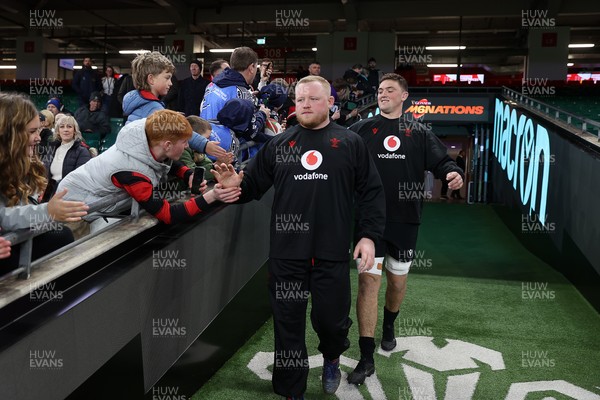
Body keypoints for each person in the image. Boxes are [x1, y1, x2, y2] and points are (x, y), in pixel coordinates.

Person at [211, 75, 386, 400]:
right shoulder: (280, 144)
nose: (305, 104)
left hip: (331, 253)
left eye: (314, 99)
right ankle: (292, 391)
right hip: (287, 254)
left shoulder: (350, 143)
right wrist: (236, 184)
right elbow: (252, 186)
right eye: (301, 99)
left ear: (330, 103)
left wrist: (368, 236)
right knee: (287, 325)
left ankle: (332, 356)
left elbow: (371, 193)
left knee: (331, 324)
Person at [347, 73, 464, 385]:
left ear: (404, 96)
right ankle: (367, 355)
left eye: (389, 90)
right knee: (368, 285)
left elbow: (443, 163)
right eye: (380, 90)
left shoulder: (420, 133)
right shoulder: (360, 130)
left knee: (396, 285)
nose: (383, 94)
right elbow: (338, 154)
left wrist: (453, 173)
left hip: (405, 221)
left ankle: (389, 323)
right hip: (368, 224)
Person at [57, 109, 240, 226]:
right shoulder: (131, 173)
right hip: (74, 214)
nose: (187, 147)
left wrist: (188, 174)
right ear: (167, 145)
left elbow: (165, 163)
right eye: (184, 142)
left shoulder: (148, 139)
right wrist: (213, 195)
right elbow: (169, 215)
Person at [0, 93, 88, 271]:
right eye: (32, 132)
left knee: (61, 236)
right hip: (7, 245)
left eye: (39, 130)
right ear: (10, 134)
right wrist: (47, 211)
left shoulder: (22, 162)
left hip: (12, 238)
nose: (38, 138)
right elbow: (5, 217)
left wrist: (48, 211)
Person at [122, 51, 227, 160]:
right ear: (151, 79)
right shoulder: (153, 108)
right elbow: (179, 131)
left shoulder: (142, 103)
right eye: (167, 78)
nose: (171, 83)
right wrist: (205, 145)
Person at [42, 116, 91, 202]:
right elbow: (44, 172)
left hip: (70, 196)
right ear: (58, 131)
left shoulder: (82, 152)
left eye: (69, 126)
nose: (66, 130)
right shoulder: (52, 149)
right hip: (49, 194)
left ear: (75, 130)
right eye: (62, 127)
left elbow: (80, 179)